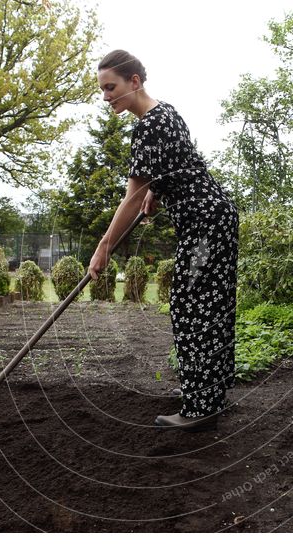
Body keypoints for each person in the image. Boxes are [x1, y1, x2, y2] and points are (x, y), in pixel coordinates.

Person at [90, 50, 238, 432]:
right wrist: (159, 190)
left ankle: (201, 407)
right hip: (213, 218)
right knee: (210, 303)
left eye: (112, 88)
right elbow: (179, 166)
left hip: (204, 225)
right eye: (103, 90)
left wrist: (104, 246)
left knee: (193, 305)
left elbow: (133, 195)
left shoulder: (148, 126)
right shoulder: (166, 113)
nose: (107, 97)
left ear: (134, 81)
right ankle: (213, 392)